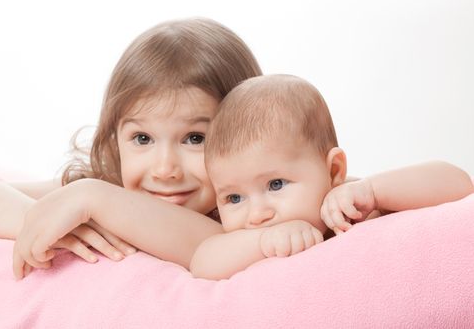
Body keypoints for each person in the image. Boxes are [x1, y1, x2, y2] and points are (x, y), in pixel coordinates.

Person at [0, 17, 262, 279]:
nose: (165, 169)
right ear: (115, 137)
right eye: (142, 139)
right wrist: (39, 218)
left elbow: (208, 249)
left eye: (195, 138)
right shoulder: (107, 182)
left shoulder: (247, 208)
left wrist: (96, 198)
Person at [189, 74, 474, 280]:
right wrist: (264, 241)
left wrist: (374, 191)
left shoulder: (352, 207)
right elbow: (203, 262)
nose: (257, 214)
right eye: (234, 197)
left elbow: (459, 184)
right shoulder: (246, 239)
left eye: (275, 184)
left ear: (334, 171)